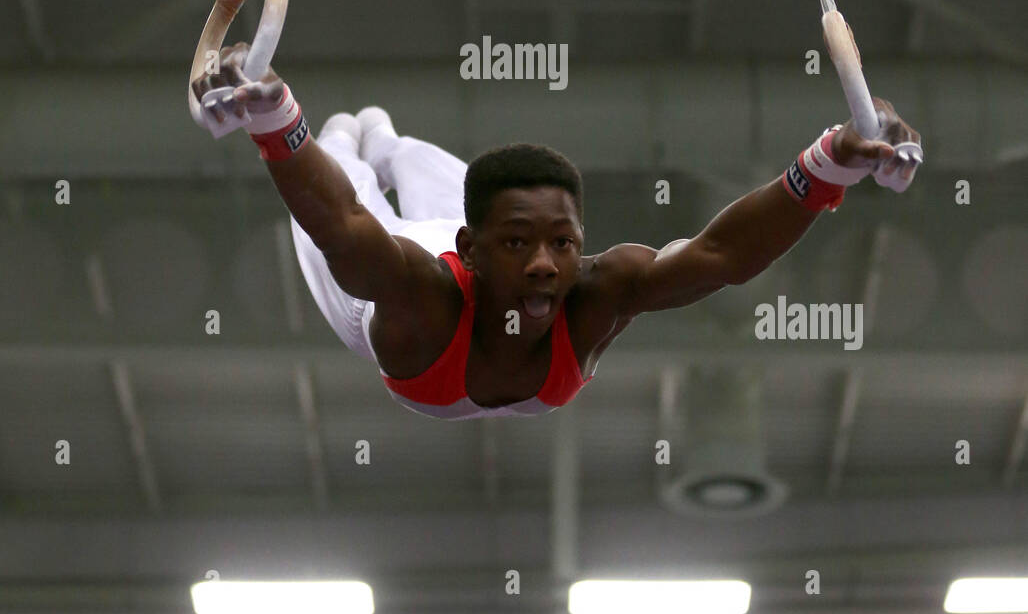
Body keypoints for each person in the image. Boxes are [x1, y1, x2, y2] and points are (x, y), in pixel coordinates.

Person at [191, 44, 922, 420]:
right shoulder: (419, 290)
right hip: (379, 287)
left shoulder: (596, 291)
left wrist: (828, 163)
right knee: (345, 181)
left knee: (405, 158)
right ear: (473, 251)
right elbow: (344, 226)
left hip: (455, 246)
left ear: (580, 242)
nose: (545, 265)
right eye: (519, 243)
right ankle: (351, 134)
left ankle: (385, 140)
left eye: (563, 243)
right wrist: (277, 122)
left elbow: (722, 255)